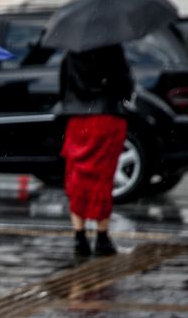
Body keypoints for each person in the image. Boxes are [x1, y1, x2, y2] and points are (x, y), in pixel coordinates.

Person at [58, 44, 135, 258]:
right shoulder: (113, 48)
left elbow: (63, 86)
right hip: (107, 116)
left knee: (77, 174)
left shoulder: (72, 50)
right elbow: (125, 85)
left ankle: (79, 236)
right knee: (102, 176)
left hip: (78, 118)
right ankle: (102, 237)